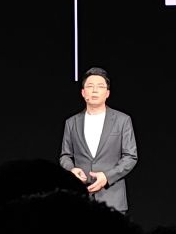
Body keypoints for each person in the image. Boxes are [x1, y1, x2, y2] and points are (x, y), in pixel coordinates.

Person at [59, 67, 138, 215]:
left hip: (113, 200)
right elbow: (65, 156)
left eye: (100, 86)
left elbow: (130, 156)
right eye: (90, 86)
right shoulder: (71, 122)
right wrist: (71, 170)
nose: (95, 90)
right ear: (83, 92)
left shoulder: (122, 120)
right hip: (80, 198)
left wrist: (107, 177)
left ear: (107, 93)